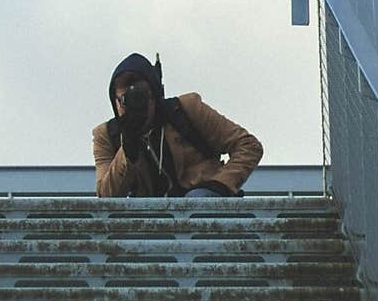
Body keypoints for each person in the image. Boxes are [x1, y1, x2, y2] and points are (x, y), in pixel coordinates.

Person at [93, 52, 263, 198]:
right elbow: (106, 196)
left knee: (197, 199)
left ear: (155, 94)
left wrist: (220, 185)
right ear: (114, 102)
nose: (135, 104)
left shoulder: (185, 110)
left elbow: (249, 146)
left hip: (201, 206)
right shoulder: (107, 135)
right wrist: (128, 150)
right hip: (152, 219)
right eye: (125, 100)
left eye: (141, 96)